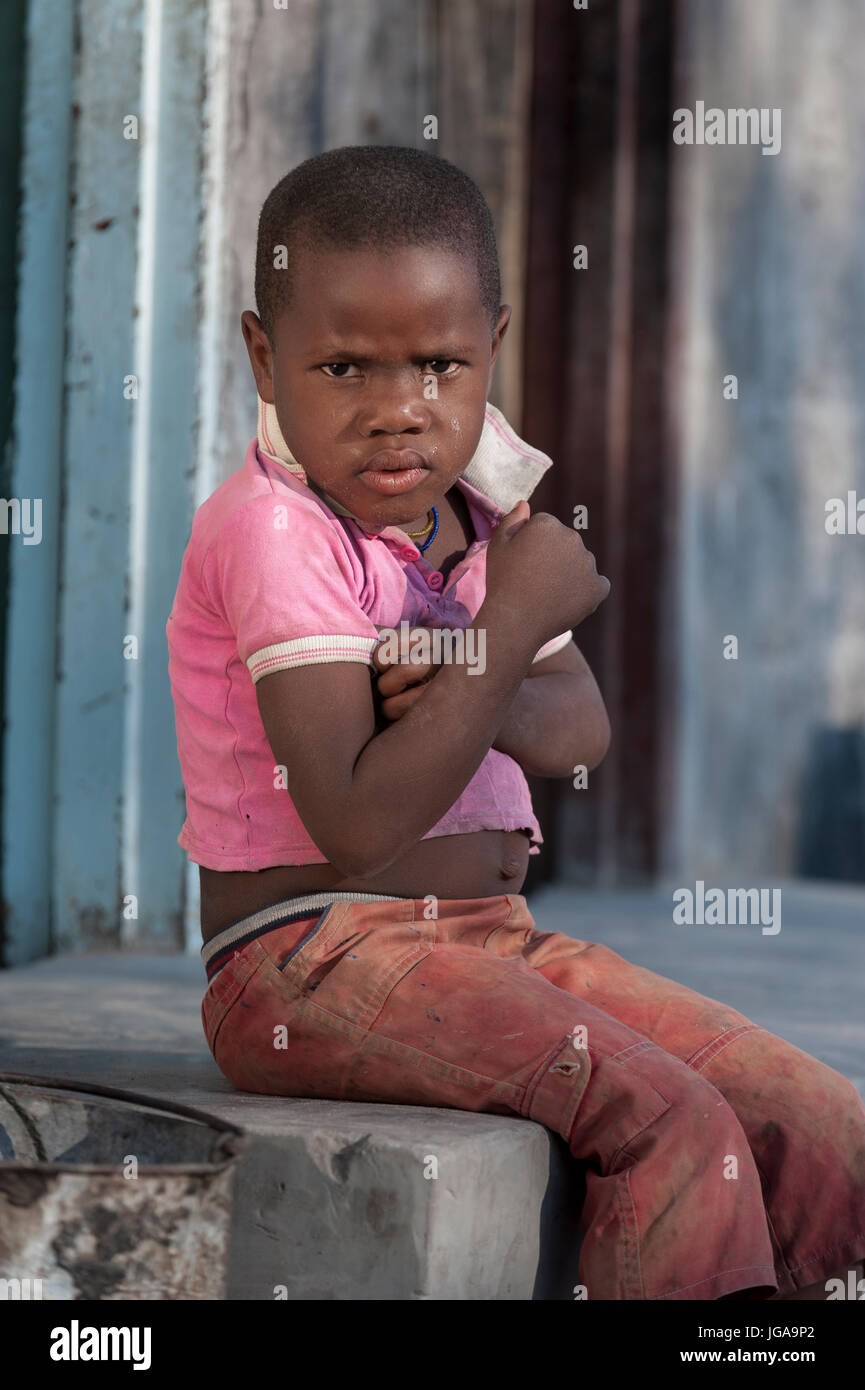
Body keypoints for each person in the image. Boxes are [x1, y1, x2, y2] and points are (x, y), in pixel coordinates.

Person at [166, 145, 865, 1300]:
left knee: (810, 1115)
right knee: (666, 1116)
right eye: (344, 366)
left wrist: (462, 684)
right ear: (263, 354)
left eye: (439, 365)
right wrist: (503, 636)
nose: (399, 411)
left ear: (491, 345)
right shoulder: (272, 531)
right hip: (311, 960)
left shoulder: (483, 511)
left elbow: (575, 730)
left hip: (490, 939)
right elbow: (356, 822)